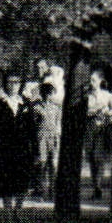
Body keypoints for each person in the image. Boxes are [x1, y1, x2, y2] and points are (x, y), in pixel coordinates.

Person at [0, 72, 38, 223]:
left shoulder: (26, 103)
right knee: (7, 183)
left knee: (22, 182)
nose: (13, 85)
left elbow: (32, 129)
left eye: (16, 82)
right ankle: (8, 216)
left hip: (23, 150)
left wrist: (36, 151)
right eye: (10, 82)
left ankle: (18, 212)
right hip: (5, 150)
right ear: (5, 84)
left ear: (20, 84)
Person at [85, 69, 112, 201]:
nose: (92, 83)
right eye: (90, 80)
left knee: (99, 158)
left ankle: (98, 186)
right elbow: (83, 111)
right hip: (90, 129)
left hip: (102, 129)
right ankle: (95, 186)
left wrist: (107, 113)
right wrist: (93, 112)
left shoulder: (107, 95)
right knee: (92, 159)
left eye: (94, 80)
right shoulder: (87, 96)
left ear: (100, 81)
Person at [35, 71, 63, 199]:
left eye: (50, 93)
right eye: (45, 92)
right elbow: (34, 124)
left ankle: (53, 189)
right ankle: (41, 190)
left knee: (53, 164)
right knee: (42, 163)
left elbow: (58, 125)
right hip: (41, 137)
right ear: (42, 93)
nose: (48, 95)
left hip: (53, 137)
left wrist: (58, 137)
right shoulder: (37, 107)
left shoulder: (57, 108)